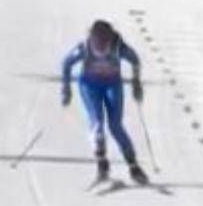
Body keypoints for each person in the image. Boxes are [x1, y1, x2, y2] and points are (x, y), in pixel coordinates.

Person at [60, 20, 148, 184]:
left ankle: (133, 166)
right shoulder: (85, 47)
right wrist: (66, 88)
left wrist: (136, 83)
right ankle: (102, 164)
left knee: (115, 126)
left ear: (109, 39)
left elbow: (135, 60)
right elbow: (66, 63)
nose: (100, 47)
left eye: (103, 43)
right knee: (97, 122)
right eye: (97, 42)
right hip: (90, 86)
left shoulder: (118, 46)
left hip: (112, 85)